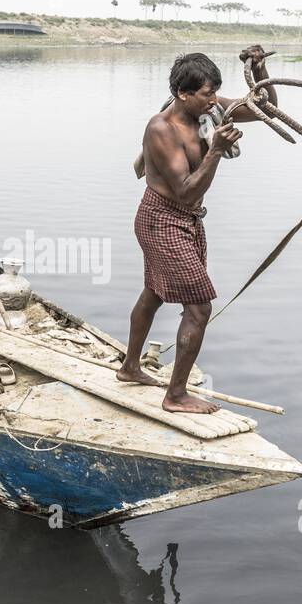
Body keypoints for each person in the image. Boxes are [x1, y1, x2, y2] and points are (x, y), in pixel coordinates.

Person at [117, 47, 275, 414]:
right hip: (162, 219)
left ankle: (130, 367)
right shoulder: (161, 128)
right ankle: (175, 396)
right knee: (199, 308)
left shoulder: (210, 109)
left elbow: (263, 108)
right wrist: (216, 150)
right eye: (206, 93)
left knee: (154, 292)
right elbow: (186, 190)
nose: (214, 100)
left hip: (186, 220)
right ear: (183, 94)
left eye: (216, 92)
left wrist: (261, 68)